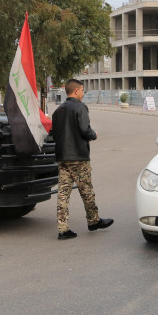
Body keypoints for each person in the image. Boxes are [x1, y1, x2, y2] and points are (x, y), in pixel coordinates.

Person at [51, 79, 113, 240]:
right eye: (83, 90)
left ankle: (62, 229)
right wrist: (94, 134)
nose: (84, 93)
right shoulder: (80, 107)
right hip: (78, 157)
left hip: (63, 157)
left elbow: (54, 135)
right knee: (87, 191)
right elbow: (85, 130)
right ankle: (93, 221)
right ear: (77, 91)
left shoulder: (58, 111)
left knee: (63, 193)